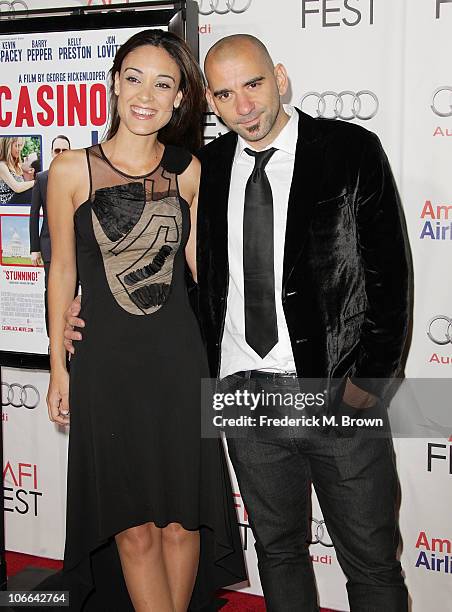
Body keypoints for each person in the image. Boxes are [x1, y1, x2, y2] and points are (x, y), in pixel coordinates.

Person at [65, 34, 411, 611]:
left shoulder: (349, 149)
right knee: (278, 553)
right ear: (210, 105)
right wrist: (87, 302)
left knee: (371, 561)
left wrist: (369, 386)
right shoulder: (208, 166)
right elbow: (165, 262)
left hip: (336, 392)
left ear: (279, 78)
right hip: (243, 394)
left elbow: (391, 278)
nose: (243, 106)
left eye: (252, 85)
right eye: (224, 94)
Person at [45, 29, 245, 612]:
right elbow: (62, 272)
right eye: (135, 78)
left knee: (182, 521)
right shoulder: (69, 169)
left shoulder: (190, 171)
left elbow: (202, 274)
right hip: (105, 367)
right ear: (112, 84)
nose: (146, 96)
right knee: (131, 524)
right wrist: (59, 367)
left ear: (181, 98)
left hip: (177, 362)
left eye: (164, 84)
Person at [29, 135, 71, 335]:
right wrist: (34, 248)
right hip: (49, 247)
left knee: (72, 293)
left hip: (75, 246)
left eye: (65, 150)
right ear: (51, 152)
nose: (61, 154)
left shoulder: (78, 177)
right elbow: (33, 215)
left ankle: (71, 337)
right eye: (57, 150)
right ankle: (52, 338)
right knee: (51, 293)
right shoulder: (42, 178)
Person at [0, 137, 35, 204]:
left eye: (21, 146)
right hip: (7, 203)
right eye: (17, 146)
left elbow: (24, 186)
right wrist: (36, 182)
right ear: (8, 147)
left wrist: (29, 176)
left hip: (17, 198)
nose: (19, 149)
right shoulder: (2, 166)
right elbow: (17, 188)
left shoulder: (17, 165)